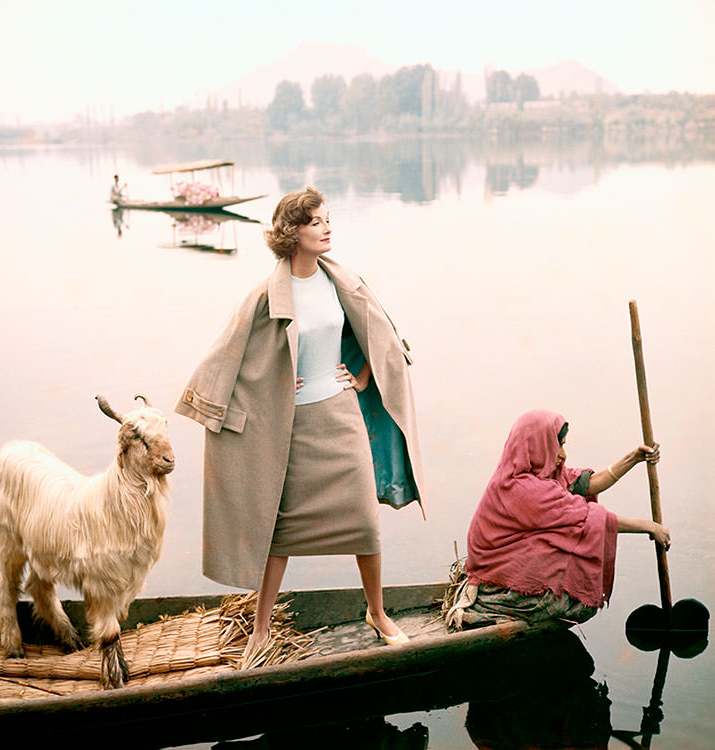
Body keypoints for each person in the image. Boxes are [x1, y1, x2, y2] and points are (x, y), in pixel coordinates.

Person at [175, 186, 426, 662]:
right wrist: (265, 391)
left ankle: (377, 612)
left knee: (365, 525)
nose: (327, 228)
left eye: (327, 219)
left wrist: (363, 378)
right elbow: (230, 353)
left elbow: (382, 334)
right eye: (316, 222)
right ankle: (261, 630)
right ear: (292, 233)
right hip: (292, 428)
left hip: (341, 415)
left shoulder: (342, 281)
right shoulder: (267, 294)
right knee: (282, 531)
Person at [446, 409, 670, 629]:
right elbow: (585, 517)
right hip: (495, 581)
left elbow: (585, 485)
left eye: (563, 444)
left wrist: (634, 458)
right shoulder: (521, 488)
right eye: (557, 445)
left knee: (562, 542)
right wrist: (648, 527)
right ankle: (490, 606)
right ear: (538, 446)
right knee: (575, 597)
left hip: (500, 568)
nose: (563, 454)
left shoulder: (534, 474)